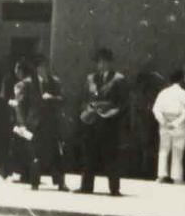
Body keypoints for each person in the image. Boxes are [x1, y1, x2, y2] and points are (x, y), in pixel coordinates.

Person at [78, 47, 127, 196]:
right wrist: (86, 110)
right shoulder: (90, 78)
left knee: (111, 156)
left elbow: (123, 103)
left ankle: (114, 188)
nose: (102, 65)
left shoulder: (118, 79)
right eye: (99, 62)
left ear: (110, 63)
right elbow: (84, 99)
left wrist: (111, 112)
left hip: (109, 123)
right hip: (91, 122)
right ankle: (86, 186)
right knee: (89, 155)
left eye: (105, 62)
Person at [28, 56, 69, 191]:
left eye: (45, 67)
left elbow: (63, 99)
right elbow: (29, 101)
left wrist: (51, 98)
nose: (43, 70)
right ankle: (35, 182)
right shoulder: (30, 83)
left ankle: (60, 182)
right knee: (36, 153)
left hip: (52, 123)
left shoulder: (55, 82)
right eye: (40, 67)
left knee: (57, 153)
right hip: (37, 123)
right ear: (36, 69)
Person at [151, 69, 185, 183]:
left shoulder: (163, 93)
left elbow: (156, 109)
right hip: (179, 123)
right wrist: (175, 123)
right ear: (181, 80)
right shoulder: (184, 93)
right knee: (178, 151)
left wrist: (163, 122)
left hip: (165, 122)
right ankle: (177, 177)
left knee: (163, 150)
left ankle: (161, 175)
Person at [0, 57, 32, 182]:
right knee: (26, 148)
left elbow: (19, 104)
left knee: (15, 146)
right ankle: (25, 174)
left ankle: (7, 172)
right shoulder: (34, 83)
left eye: (17, 69)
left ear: (20, 70)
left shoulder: (21, 84)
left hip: (20, 121)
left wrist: (12, 103)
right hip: (32, 120)